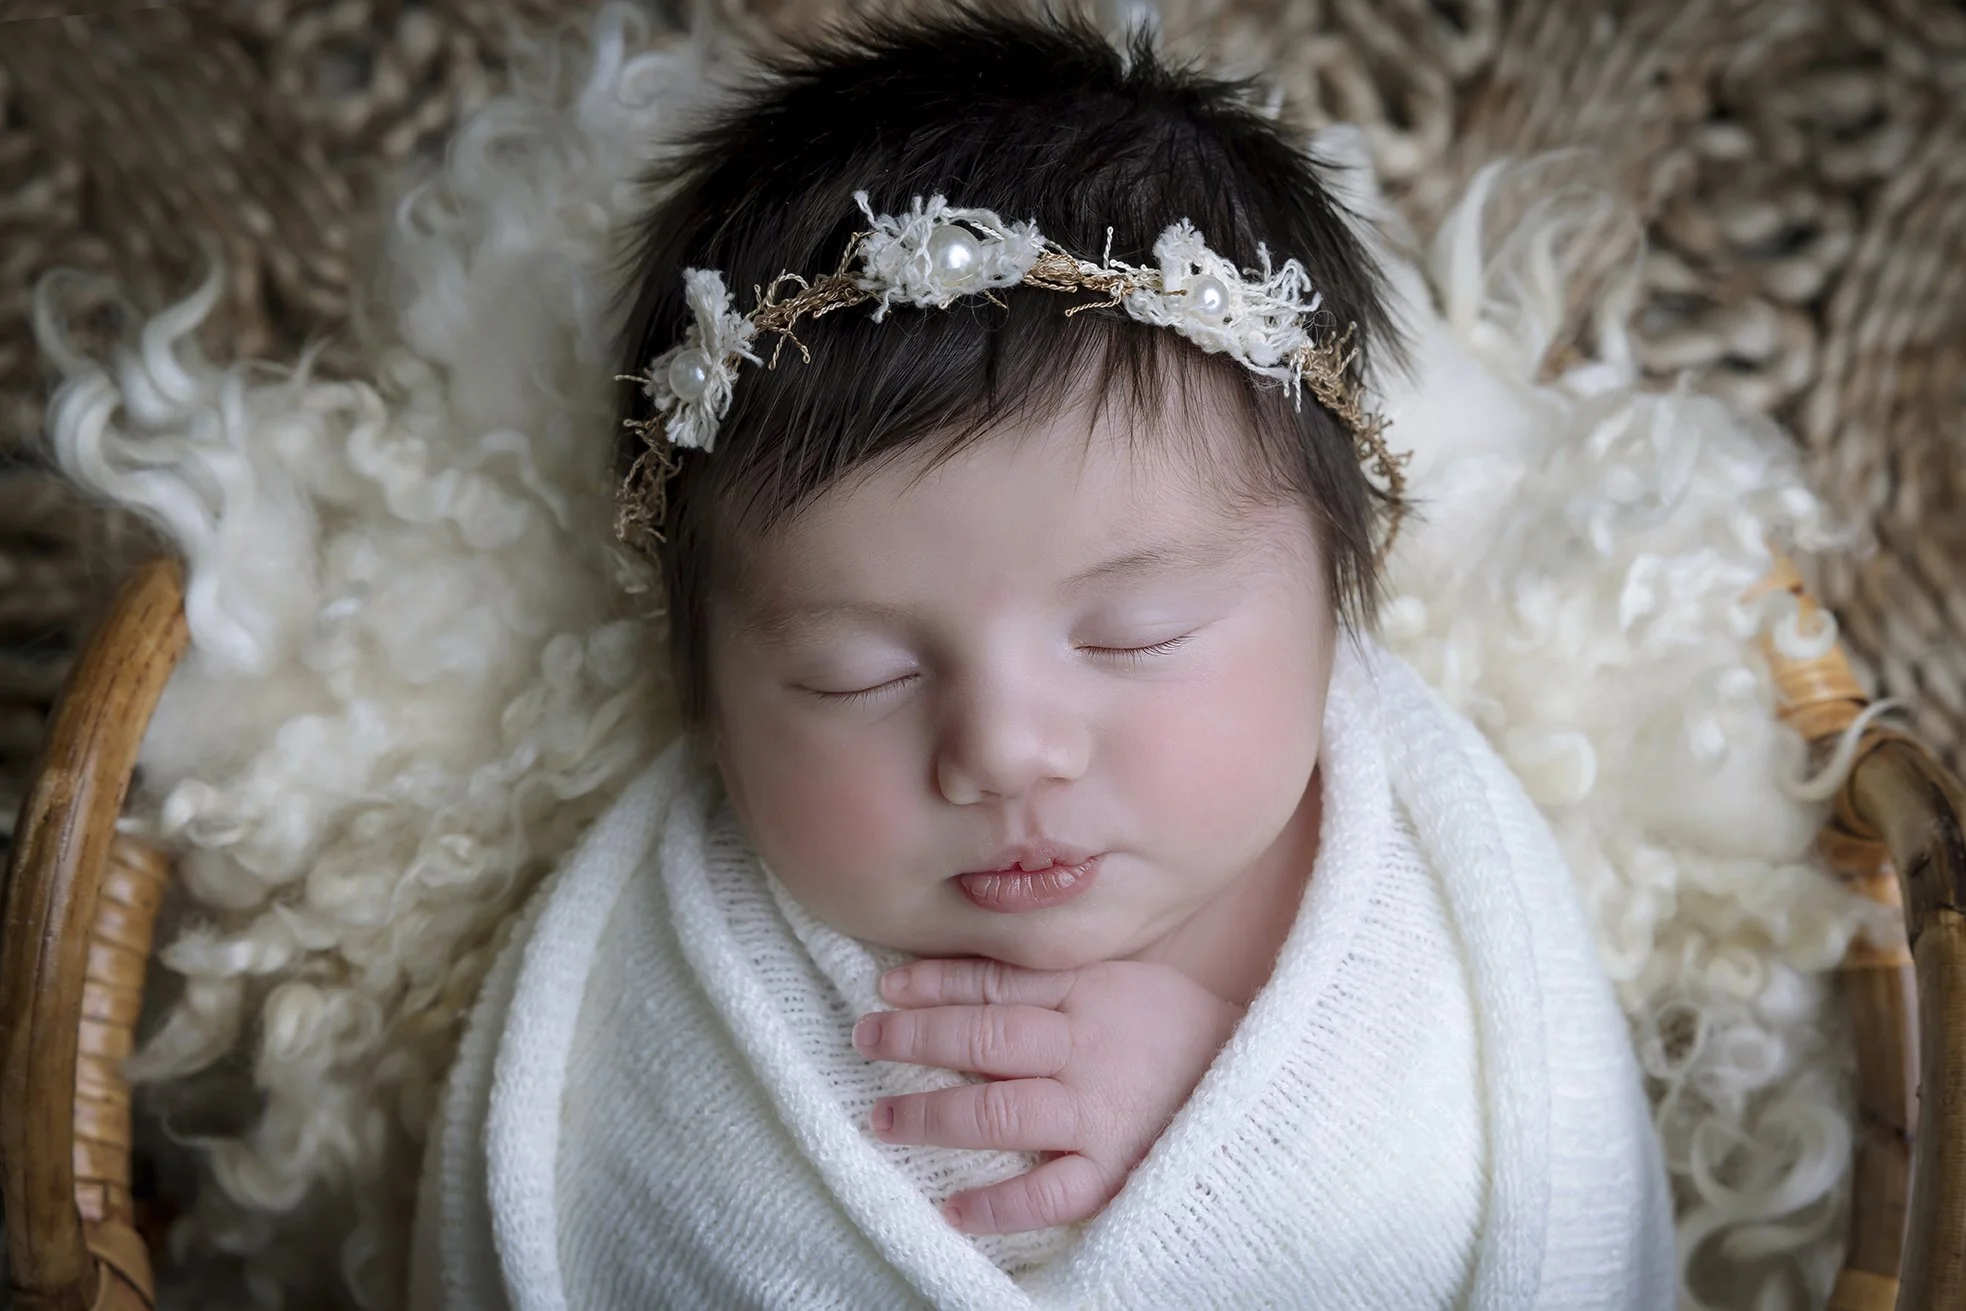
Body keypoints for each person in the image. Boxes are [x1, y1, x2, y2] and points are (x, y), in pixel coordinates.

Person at [410, 6, 1674, 1307]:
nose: (1005, 748)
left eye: (1137, 635)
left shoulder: (1436, 926)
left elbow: (1524, 1191)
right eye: (857, 672)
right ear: (710, 697)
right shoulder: (658, 1005)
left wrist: (1243, 1112)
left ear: (1337, 598)